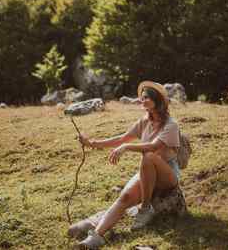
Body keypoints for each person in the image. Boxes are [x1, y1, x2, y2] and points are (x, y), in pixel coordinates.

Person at [69, 81, 180, 249]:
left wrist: (126, 147)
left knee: (149, 155)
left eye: (146, 98)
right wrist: (91, 143)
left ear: (157, 100)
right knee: (125, 197)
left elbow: (153, 147)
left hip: (167, 174)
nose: (142, 101)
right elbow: (122, 138)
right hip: (147, 173)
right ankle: (96, 237)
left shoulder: (171, 125)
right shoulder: (144, 121)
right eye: (141, 98)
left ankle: (145, 208)